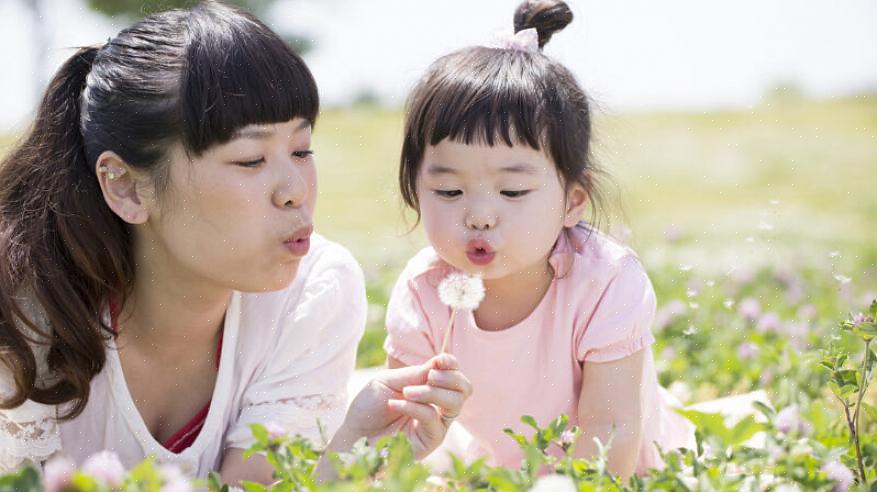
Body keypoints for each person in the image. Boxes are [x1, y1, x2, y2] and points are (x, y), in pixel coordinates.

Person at [0, 1, 471, 485]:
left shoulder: (313, 293)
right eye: (250, 160)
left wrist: (350, 450)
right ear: (125, 186)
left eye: (301, 150)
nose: (295, 191)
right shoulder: (20, 313)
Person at [383, 0, 693, 479]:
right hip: (505, 474)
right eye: (448, 190)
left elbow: (609, 431)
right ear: (414, 190)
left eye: (512, 191)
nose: (480, 215)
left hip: (633, 471)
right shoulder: (423, 290)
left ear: (572, 200)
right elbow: (395, 426)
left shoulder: (605, 281)